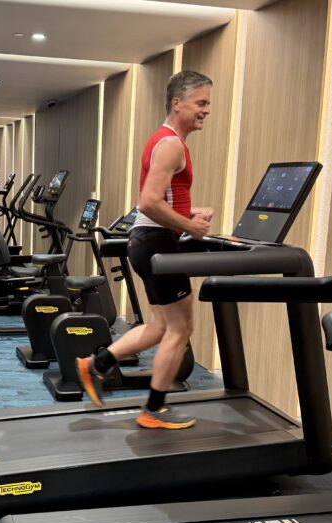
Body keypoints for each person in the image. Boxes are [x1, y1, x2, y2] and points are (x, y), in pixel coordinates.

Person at [77, 70, 214, 430]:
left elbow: (162, 199)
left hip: (150, 241)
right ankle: (152, 410)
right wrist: (190, 226)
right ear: (177, 103)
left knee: (162, 326)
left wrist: (189, 213)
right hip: (156, 242)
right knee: (181, 329)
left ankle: (96, 364)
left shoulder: (165, 140)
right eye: (201, 103)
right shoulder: (170, 144)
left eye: (208, 104)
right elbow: (149, 202)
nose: (206, 110)